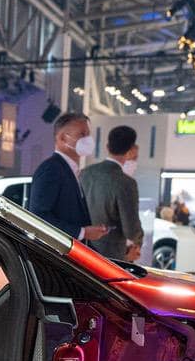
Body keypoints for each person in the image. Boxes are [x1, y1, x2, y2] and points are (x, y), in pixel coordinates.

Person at [26, 111, 107, 242]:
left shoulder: (69, 169)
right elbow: (39, 216)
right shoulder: (51, 169)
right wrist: (82, 232)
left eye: (88, 134)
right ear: (63, 138)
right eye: (82, 134)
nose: (88, 139)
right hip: (56, 250)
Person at [78, 124, 144, 263]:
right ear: (131, 150)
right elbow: (131, 230)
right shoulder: (126, 183)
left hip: (82, 250)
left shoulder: (85, 173)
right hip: (112, 256)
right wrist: (138, 240)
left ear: (107, 147)